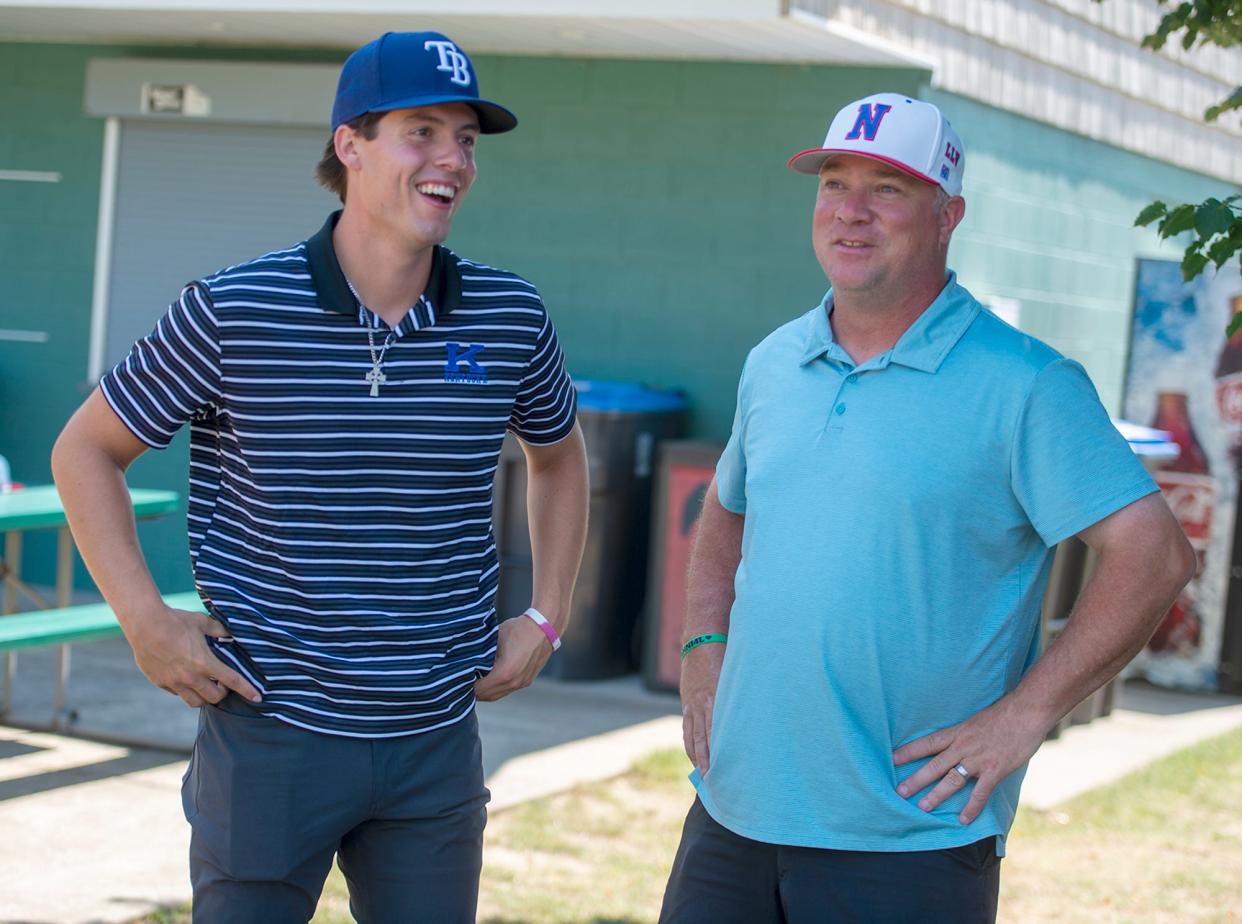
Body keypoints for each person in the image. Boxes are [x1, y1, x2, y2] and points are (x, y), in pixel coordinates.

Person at [51, 31, 588, 923]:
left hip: (434, 739)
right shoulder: (234, 308)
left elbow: (560, 454)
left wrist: (547, 614)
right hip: (271, 737)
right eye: (423, 132)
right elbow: (85, 450)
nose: (452, 159)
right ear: (351, 144)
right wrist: (144, 621)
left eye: (467, 139)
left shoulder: (509, 314)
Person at [660, 92, 1194, 924]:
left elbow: (1155, 554)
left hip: (907, 837)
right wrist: (701, 645)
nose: (851, 212)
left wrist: (1027, 716)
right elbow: (726, 510)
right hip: (734, 811)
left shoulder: (1026, 384)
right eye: (835, 183)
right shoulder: (774, 362)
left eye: (889, 189)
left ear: (948, 216)